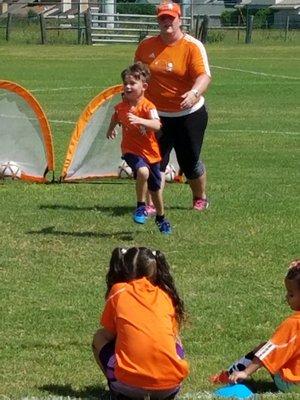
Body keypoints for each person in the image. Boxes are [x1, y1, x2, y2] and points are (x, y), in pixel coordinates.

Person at [135, 1, 211, 212]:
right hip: (156, 115)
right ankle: (152, 205)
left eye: (171, 17)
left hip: (189, 114)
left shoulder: (192, 46)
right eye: (162, 18)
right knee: (154, 161)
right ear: (158, 21)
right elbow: (138, 77)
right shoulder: (146, 46)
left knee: (189, 163)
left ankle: (199, 197)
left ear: (180, 20)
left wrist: (194, 93)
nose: (167, 21)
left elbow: (204, 76)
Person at [92, 247, 189, 400]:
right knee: (175, 337)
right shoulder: (166, 295)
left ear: (123, 268)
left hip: (129, 386)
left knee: (99, 337)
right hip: (170, 385)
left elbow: (108, 334)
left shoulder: (118, 291)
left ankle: (118, 392)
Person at [211, 259, 300, 394]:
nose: (286, 297)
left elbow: (269, 350)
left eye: (291, 294)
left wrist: (247, 372)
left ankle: (229, 375)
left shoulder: (293, 323)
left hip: (292, 384)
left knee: (263, 347)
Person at [106, 62, 171, 234]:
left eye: (132, 83)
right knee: (142, 172)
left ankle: (161, 218)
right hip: (130, 150)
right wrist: (111, 128)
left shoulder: (148, 106)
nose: (127, 87)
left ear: (144, 86)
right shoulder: (121, 107)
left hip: (151, 153)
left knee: (156, 191)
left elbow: (157, 125)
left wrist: (140, 121)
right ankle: (141, 206)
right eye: (125, 83)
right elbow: (116, 116)